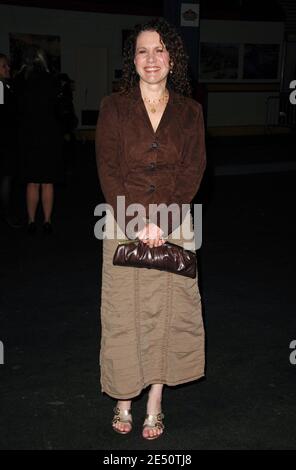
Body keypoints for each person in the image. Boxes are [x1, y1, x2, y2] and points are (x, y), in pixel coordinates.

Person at [96, 18, 206, 440]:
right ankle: (124, 398)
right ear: (133, 60)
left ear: (172, 57)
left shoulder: (191, 111)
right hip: (122, 222)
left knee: (167, 314)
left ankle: (155, 402)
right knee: (124, 314)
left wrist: (163, 220)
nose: (152, 58)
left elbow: (193, 169)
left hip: (175, 225)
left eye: (160, 49)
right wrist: (136, 221)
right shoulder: (113, 107)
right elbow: (108, 168)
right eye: (143, 51)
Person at [14, 46, 63, 234]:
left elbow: (15, 109)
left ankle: (31, 220)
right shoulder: (52, 80)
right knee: (47, 181)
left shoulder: (20, 80)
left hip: (28, 135)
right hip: (49, 134)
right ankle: (48, 221)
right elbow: (58, 109)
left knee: (32, 181)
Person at [0, 53, 21, 228]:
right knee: (6, 178)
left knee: (7, 178)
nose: (8, 69)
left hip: (7, 139)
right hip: (4, 140)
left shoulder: (6, 85)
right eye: (3, 66)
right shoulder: (0, 87)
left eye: (8, 65)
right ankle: (6, 215)